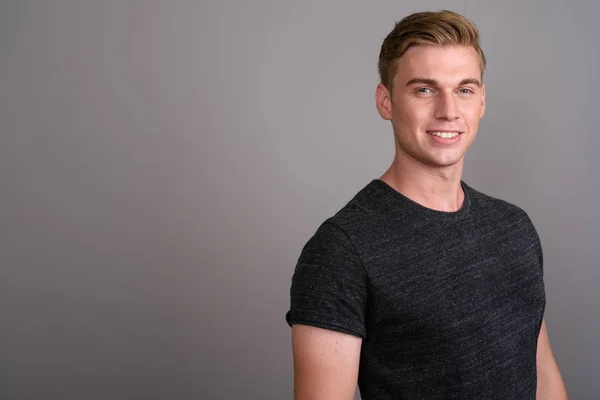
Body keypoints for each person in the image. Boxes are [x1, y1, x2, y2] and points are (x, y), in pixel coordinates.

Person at [285, 10, 568, 400]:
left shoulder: (514, 227)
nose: (448, 110)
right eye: (424, 89)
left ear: (482, 100)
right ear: (386, 101)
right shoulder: (342, 251)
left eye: (464, 89)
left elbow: (544, 377)